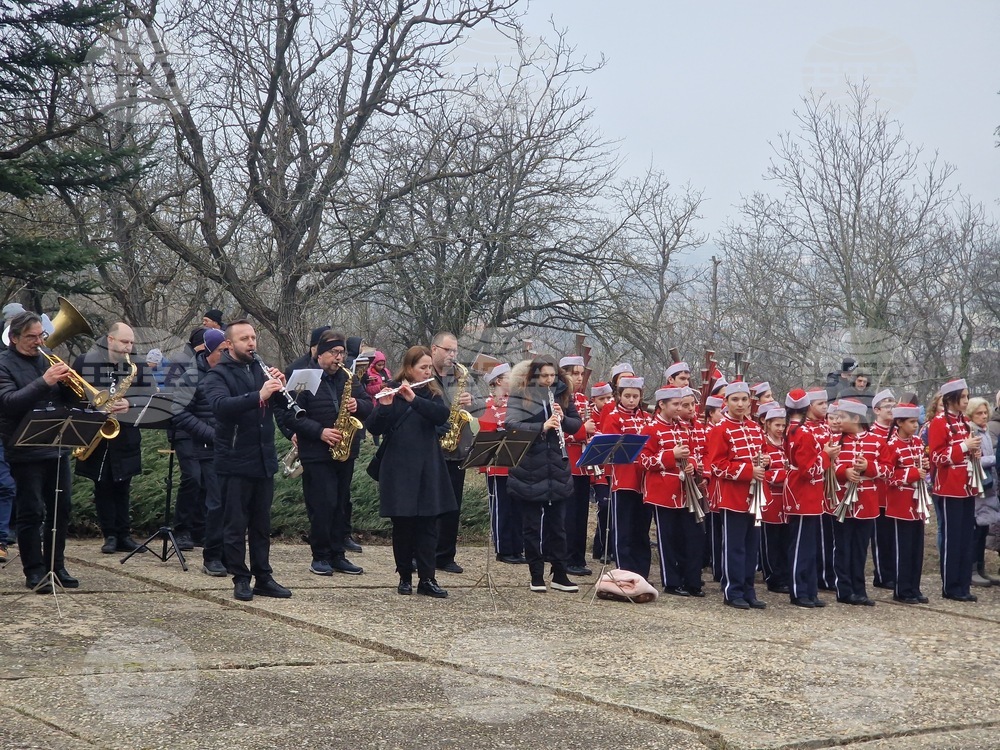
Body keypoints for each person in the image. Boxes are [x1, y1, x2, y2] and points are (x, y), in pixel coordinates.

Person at [202, 320, 292, 602]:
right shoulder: (217, 375)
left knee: (261, 524)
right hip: (234, 460)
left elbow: (278, 406)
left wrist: (282, 388)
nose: (252, 343)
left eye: (253, 337)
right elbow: (220, 407)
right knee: (235, 524)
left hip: (263, 459)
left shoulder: (260, 369)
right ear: (229, 344)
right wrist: (259, 394)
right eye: (244, 339)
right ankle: (241, 578)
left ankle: (264, 576)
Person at [0, 311, 83, 592]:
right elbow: (9, 402)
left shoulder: (48, 359)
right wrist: (45, 381)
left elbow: (70, 400)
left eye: (41, 336)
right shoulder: (3, 364)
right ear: (14, 338)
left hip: (56, 447)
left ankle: (55, 566)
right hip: (24, 450)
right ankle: (34, 570)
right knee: (31, 511)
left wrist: (74, 385)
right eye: (31, 337)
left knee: (61, 510)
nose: (38, 342)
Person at [366, 346, 454, 598]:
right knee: (403, 524)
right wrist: (384, 405)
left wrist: (414, 399)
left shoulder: (433, 391)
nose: (428, 371)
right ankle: (404, 576)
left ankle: (428, 579)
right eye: (422, 368)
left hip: (428, 465)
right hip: (399, 467)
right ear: (409, 367)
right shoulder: (392, 387)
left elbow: (441, 415)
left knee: (428, 524)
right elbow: (374, 427)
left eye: (429, 367)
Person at [287, 331, 372, 577]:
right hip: (316, 451)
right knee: (323, 504)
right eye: (334, 353)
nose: (339, 358)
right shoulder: (304, 377)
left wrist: (359, 406)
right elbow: (288, 415)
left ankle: (338, 555)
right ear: (320, 353)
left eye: (342, 353)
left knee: (340, 505)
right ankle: (320, 556)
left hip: (345, 451)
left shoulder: (348, 377)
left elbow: (368, 404)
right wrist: (320, 432)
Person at [504, 357, 582, 594]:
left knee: (558, 526)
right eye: (544, 376)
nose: (549, 380)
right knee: (531, 526)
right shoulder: (521, 396)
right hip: (528, 467)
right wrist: (542, 427)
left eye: (552, 376)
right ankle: (536, 574)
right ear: (534, 376)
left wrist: (562, 418)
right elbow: (511, 424)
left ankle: (560, 574)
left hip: (556, 466)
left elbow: (576, 425)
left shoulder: (563, 395)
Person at [73, 322, 149, 555]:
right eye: (124, 342)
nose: (129, 347)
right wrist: (96, 407)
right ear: (110, 340)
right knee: (102, 485)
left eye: (131, 342)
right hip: (95, 432)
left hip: (124, 434)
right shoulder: (86, 361)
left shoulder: (137, 365)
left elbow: (150, 395)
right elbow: (72, 392)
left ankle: (125, 535)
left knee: (123, 485)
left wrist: (131, 403)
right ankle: (110, 535)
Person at [705, 380, 769, 610]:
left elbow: (763, 454)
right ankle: (732, 591)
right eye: (735, 400)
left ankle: (749, 589)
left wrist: (765, 463)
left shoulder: (754, 428)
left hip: (755, 495)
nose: (740, 404)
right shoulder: (720, 429)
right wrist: (750, 470)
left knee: (752, 545)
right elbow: (717, 465)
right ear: (726, 402)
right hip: (732, 495)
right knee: (734, 546)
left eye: (744, 399)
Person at [171, 328, 228, 574]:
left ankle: (208, 537)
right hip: (195, 440)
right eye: (221, 351)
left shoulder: (228, 373)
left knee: (220, 496)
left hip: (223, 445)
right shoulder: (192, 374)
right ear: (208, 351)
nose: (225, 355)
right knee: (195, 481)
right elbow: (178, 411)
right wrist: (209, 434)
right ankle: (186, 532)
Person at [640, 385, 704, 596]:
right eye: (675, 404)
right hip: (662, 493)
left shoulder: (684, 427)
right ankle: (671, 581)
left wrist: (691, 465)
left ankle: (691, 579)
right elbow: (645, 461)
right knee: (668, 539)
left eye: (681, 404)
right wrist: (671, 456)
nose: (679, 408)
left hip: (685, 491)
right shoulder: (651, 429)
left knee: (690, 536)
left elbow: (693, 452)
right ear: (662, 404)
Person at [430, 331, 479, 574]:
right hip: (432, 449)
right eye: (448, 350)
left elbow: (480, 407)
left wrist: (471, 402)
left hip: (456, 448)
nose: (452, 355)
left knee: (452, 505)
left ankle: (446, 555)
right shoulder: (425, 375)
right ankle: (426, 553)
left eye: (455, 351)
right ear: (434, 349)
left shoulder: (461, 376)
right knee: (430, 506)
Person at [782, 389, 837, 608]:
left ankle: (810, 589)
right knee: (801, 545)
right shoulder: (802, 432)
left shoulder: (793, 429)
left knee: (810, 544)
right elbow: (809, 470)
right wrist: (826, 456)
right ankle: (799, 591)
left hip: (809, 492)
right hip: (803, 490)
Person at [928, 378, 981, 602]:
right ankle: (951, 585)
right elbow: (937, 456)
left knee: (966, 536)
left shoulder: (965, 422)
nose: (966, 401)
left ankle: (963, 583)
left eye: (967, 397)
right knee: (952, 537)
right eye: (963, 397)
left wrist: (973, 452)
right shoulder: (939, 422)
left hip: (967, 485)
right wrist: (963, 447)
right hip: (949, 487)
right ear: (951, 399)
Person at [830, 398, 887, 607]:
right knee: (842, 546)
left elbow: (887, 470)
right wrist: (843, 472)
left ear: (856, 418)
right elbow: (828, 468)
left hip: (867, 501)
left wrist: (869, 468)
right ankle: (844, 589)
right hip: (842, 500)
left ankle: (859, 588)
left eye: (842, 416)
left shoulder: (877, 441)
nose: (837, 420)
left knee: (861, 548)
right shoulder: (834, 440)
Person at [604, 377, 652, 579]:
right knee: (623, 526)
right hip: (623, 479)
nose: (631, 400)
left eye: (635, 396)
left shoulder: (647, 419)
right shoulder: (613, 418)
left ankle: (641, 572)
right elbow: (607, 449)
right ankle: (624, 568)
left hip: (644, 480)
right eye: (627, 396)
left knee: (642, 528)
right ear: (619, 396)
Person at [479, 363, 525, 564]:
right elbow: (486, 432)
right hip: (497, 465)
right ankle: (503, 548)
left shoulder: (516, 404)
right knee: (502, 507)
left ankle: (517, 547)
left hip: (516, 464)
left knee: (517, 508)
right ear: (498, 381)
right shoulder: (487, 405)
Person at [884, 403, 931, 604]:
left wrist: (925, 468)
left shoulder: (918, 443)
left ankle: (914, 586)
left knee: (916, 547)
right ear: (899, 422)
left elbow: (921, 468)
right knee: (902, 548)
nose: (915, 425)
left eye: (915, 421)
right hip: (900, 503)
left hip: (917, 502)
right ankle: (901, 589)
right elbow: (887, 475)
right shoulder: (892, 445)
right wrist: (912, 473)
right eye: (911, 422)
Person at [559, 354, 594, 576]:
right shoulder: (561, 399)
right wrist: (584, 431)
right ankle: (566, 557)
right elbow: (562, 431)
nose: (579, 378)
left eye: (581, 374)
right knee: (568, 515)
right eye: (574, 373)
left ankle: (578, 557)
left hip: (583, 464)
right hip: (566, 462)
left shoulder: (583, 400)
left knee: (581, 514)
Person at [966, 397, 1000, 586]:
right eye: (979, 413)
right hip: (978, 486)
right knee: (976, 530)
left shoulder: (985, 432)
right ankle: (971, 569)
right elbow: (975, 460)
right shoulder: (971, 431)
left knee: (984, 527)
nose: (984, 416)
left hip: (988, 485)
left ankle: (980, 567)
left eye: (985, 412)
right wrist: (994, 459)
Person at [868, 388, 897, 590]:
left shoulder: (898, 432)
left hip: (897, 493)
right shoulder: (871, 433)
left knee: (895, 537)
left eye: (893, 405)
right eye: (887, 406)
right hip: (879, 493)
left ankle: (894, 572)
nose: (891, 409)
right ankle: (882, 574)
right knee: (881, 537)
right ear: (876, 410)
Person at [759, 406, 790, 595]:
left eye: (783, 425)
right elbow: (766, 475)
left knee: (786, 541)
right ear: (768, 424)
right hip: (771, 500)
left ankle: (785, 575)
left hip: (788, 501)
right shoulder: (764, 445)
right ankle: (772, 576)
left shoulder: (787, 444)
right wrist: (786, 475)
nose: (780, 429)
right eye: (777, 425)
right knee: (771, 541)